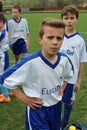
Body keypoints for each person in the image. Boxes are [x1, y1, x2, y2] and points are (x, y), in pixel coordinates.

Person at [1, 18, 74, 130]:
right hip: (37, 110)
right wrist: (25, 99)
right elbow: (5, 79)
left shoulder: (64, 59)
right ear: (40, 39)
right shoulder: (29, 62)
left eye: (59, 38)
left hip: (56, 107)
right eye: (50, 37)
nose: (55, 42)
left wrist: (63, 87)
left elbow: (69, 75)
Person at [60, 5, 87, 129]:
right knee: (54, 101)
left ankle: (64, 121)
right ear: (62, 20)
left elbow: (82, 61)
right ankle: (55, 120)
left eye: (72, 18)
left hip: (71, 79)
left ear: (76, 19)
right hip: (56, 77)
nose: (69, 21)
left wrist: (79, 80)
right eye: (66, 18)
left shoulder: (80, 40)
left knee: (68, 101)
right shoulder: (58, 37)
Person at [0, 2, 11, 102]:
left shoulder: (2, 32)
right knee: (6, 73)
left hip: (2, 54)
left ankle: (6, 95)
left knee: (2, 75)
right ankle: (8, 91)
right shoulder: (4, 20)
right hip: (4, 52)